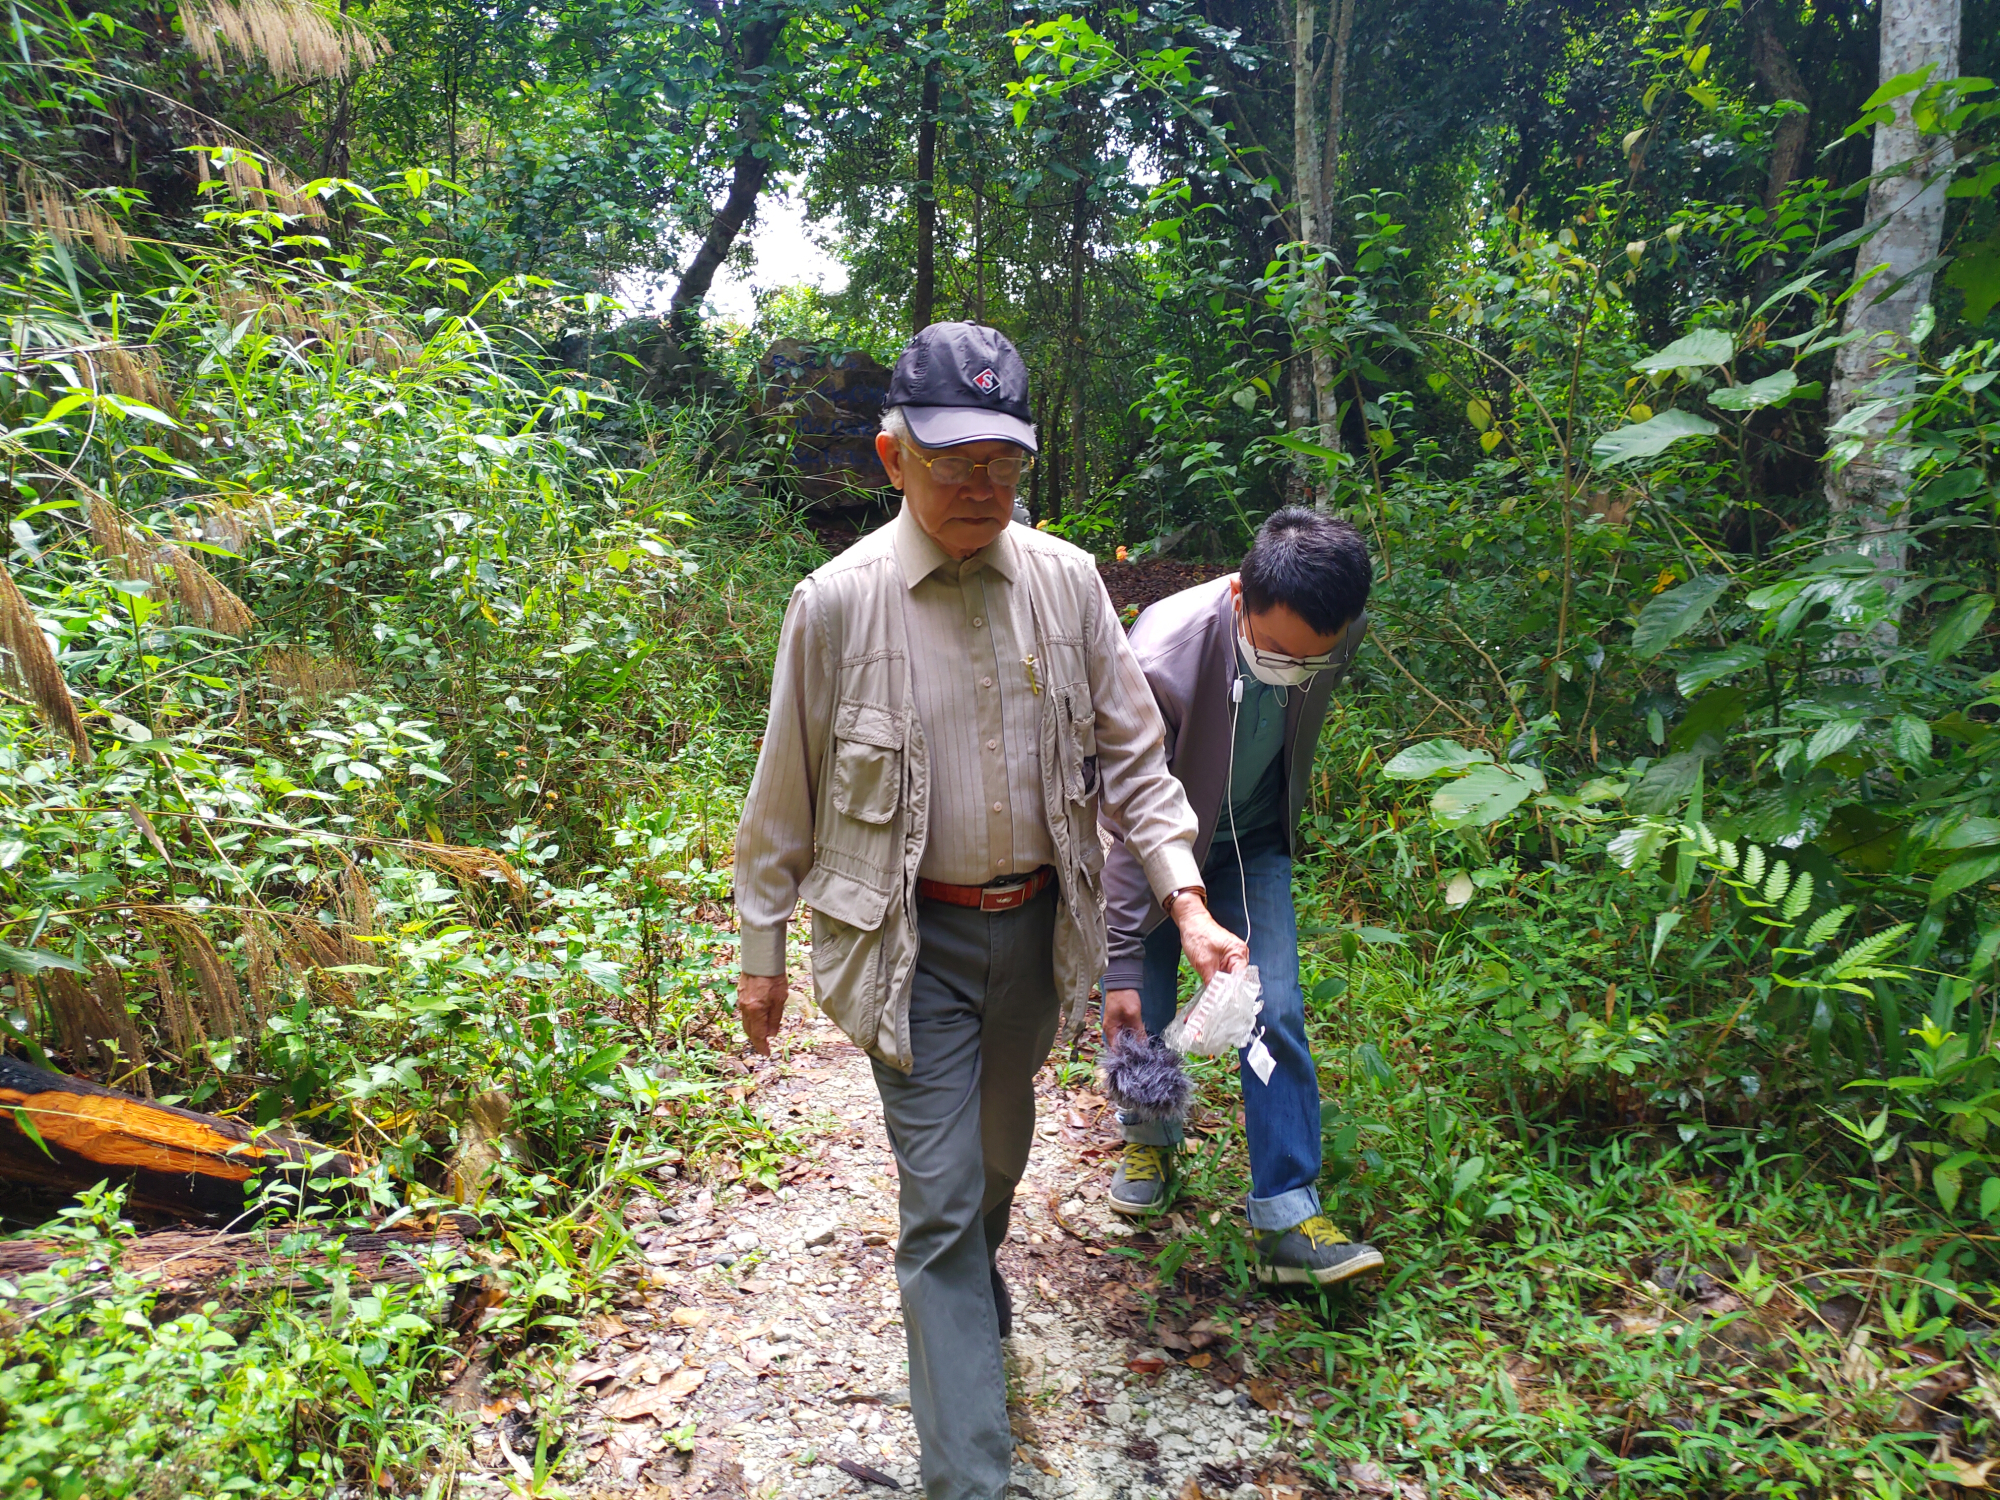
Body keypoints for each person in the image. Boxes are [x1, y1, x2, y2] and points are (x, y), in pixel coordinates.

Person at [732, 321, 1248, 1500]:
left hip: (1031, 935)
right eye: (954, 459)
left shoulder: (1067, 586)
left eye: (1002, 462)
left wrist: (1181, 895)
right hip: (905, 941)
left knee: (997, 1156)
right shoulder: (834, 604)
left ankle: (974, 1278)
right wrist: (760, 952)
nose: (981, 485)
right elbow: (782, 798)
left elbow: (1133, 758)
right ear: (890, 458)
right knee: (941, 1201)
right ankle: (970, 1473)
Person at [1099, 507, 1380, 1285]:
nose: (1295, 669)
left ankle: (1287, 1213)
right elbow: (1120, 810)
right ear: (1237, 599)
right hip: (1154, 845)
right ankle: (1149, 1141)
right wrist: (1121, 958)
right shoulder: (1161, 655)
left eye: (1312, 662)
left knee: (1276, 1005)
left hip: (1252, 838)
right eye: (1279, 654)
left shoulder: (1332, 632)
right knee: (1143, 1001)